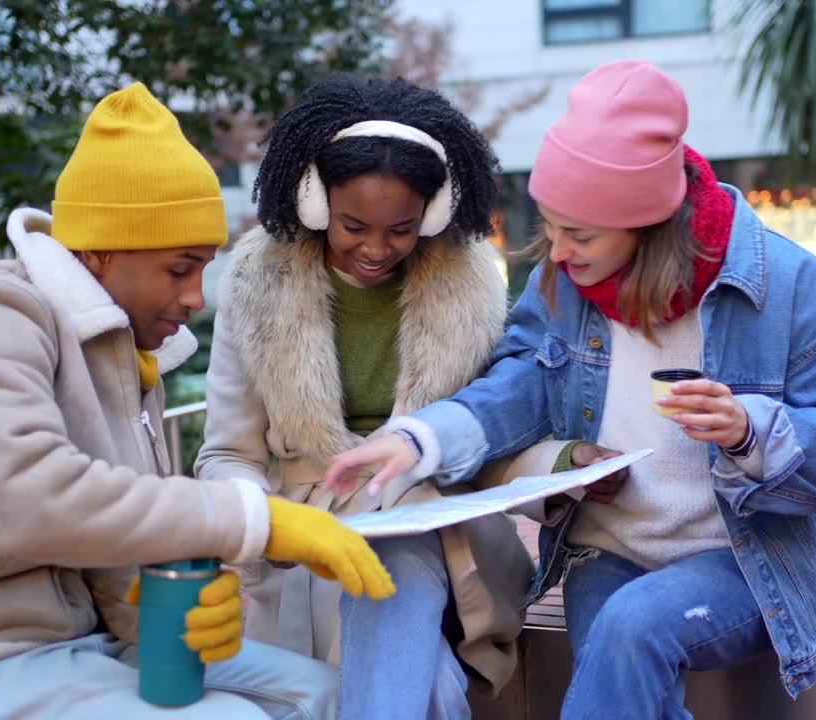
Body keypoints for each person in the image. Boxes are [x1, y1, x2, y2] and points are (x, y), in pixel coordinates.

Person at [0, 82, 393, 720]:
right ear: (104, 250)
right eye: (180, 267)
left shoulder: (126, 358)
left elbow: (103, 543)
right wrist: (257, 519)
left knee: (328, 693)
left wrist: (167, 604)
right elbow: (26, 502)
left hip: (70, 645)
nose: (198, 296)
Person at [325, 60, 816, 719]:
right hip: (610, 554)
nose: (557, 253)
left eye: (579, 234)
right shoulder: (568, 282)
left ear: (648, 225)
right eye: (549, 226)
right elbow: (517, 387)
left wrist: (749, 429)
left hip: (746, 562)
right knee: (624, 665)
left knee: (631, 627)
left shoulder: (790, 285)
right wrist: (418, 439)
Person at [195, 74, 569, 719]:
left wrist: (559, 465)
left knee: (391, 564)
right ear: (313, 202)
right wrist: (274, 525)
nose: (376, 249)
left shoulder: (471, 281)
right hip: (305, 540)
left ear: (435, 212)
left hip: (436, 526)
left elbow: (484, 431)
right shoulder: (256, 281)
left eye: (400, 228)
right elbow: (227, 456)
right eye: (353, 225)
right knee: (436, 689)